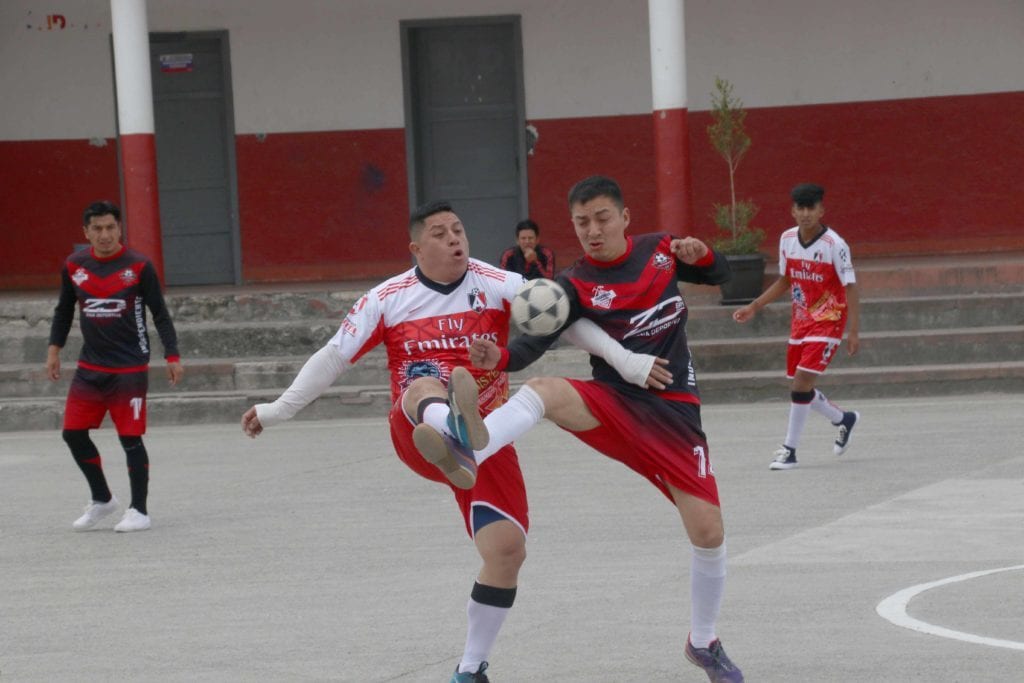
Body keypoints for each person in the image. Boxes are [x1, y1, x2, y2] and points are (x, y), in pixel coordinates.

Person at [240, 199, 657, 682]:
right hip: (418, 432)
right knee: (424, 385)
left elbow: (559, 316)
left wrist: (626, 360)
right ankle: (452, 426)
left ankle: (470, 668)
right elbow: (333, 356)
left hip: (488, 438)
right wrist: (278, 409)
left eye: (458, 229)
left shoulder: (496, 282)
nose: (455, 238)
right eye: (440, 234)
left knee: (507, 551)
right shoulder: (387, 298)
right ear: (416, 248)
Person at [418, 176, 744, 681]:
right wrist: (499, 357)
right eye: (581, 222)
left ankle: (703, 643)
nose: (592, 230)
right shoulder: (573, 284)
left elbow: (722, 274)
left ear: (624, 218)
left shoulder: (661, 251)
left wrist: (702, 254)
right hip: (614, 403)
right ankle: (465, 447)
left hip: (675, 413)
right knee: (545, 390)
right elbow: (533, 343)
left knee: (709, 532)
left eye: (602, 218)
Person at [47, 200, 183, 533]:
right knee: (72, 434)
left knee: (130, 439)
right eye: (97, 229)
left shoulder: (139, 266)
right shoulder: (74, 266)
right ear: (86, 232)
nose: (105, 235)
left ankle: (139, 511)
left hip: (129, 368)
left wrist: (172, 355)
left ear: (120, 229)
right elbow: (64, 310)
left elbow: (160, 314)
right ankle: (102, 499)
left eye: (110, 227)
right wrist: (54, 350)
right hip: (90, 367)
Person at [732, 183, 861, 470]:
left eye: (811, 208)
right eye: (800, 208)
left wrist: (853, 331)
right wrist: (754, 306)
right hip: (800, 322)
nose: (805, 214)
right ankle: (844, 419)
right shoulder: (787, 239)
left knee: (801, 382)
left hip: (829, 320)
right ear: (792, 211)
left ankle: (789, 450)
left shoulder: (835, 245)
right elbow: (785, 280)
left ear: (821, 210)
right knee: (801, 387)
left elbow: (850, 286)